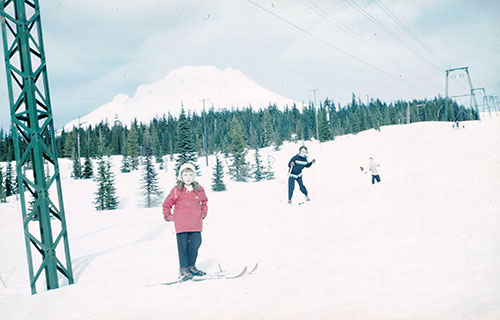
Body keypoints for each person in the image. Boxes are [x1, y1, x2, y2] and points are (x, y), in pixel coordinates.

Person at [162, 162, 208, 281]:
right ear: (181, 176)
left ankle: (191, 266)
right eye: (185, 175)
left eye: (190, 175)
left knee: (195, 244)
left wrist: (203, 214)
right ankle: (183, 269)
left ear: (194, 176)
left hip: (195, 224)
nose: (188, 177)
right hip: (182, 225)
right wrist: (169, 216)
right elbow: (166, 204)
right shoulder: (177, 190)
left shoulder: (199, 189)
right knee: (182, 247)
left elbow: (204, 202)